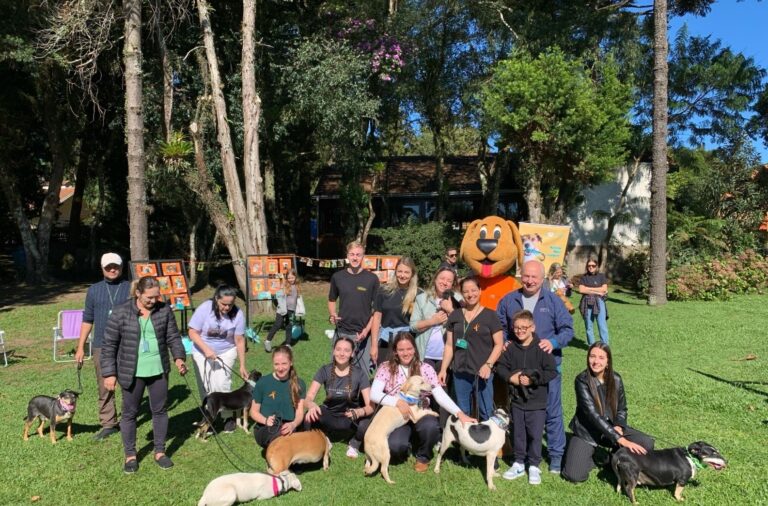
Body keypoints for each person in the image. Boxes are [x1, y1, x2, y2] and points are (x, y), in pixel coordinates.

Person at [100, 276, 188, 473]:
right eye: (149, 297)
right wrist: (109, 373)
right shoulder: (121, 312)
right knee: (130, 413)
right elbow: (109, 345)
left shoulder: (163, 310)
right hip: (131, 371)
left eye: (156, 297)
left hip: (158, 369)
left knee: (160, 410)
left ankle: (160, 451)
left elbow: (173, 336)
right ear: (138, 293)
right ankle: (130, 455)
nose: (153, 301)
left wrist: (179, 357)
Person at [497, 260, 574, 474]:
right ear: (521, 276)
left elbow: (568, 329)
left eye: (535, 277)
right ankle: (520, 456)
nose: (530, 280)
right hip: (518, 369)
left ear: (543, 279)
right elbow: (500, 326)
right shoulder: (509, 300)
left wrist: (554, 342)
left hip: (547, 369)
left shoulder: (553, 301)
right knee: (520, 412)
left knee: (551, 411)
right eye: (526, 276)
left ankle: (556, 456)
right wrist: (504, 340)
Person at [368, 332, 475, 473]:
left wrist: (459, 413)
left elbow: (440, 395)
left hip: (420, 410)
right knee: (396, 447)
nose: (406, 353)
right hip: (397, 415)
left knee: (430, 426)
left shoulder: (426, 368)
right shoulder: (386, 367)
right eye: (401, 350)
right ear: (395, 351)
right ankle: (409, 443)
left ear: (415, 349)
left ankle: (423, 456)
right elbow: (374, 394)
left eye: (409, 349)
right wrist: (398, 402)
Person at [562, 343, 654, 483]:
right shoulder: (581, 380)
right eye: (592, 356)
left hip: (612, 429)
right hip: (588, 431)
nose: (595, 361)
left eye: (601, 357)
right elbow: (593, 416)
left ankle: (613, 459)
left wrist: (619, 425)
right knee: (574, 475)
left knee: (646, 443)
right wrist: (620, 439)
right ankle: (599, 458)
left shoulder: (616, 379)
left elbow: (622, 409)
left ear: (607, 361)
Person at [496, 310, 557, 485]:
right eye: (516, 328)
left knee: (535, 434)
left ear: (532, 327)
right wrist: (510, 378)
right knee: (518, 433)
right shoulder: (511, 348)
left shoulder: (542, 348)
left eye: (524, 327)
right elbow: (500, 367)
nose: (520, 331)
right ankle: (519, 462)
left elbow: (552, 371)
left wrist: (533, 379)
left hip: (537, 401)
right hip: (516, 401)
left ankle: (534, 465)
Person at [75, 252, 131, 441]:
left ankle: (128, 419)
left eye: (115, 266)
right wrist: (81, 347)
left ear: (122, 267)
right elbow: (87, 319)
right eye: (108, 267)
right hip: (102, 345)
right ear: (102, 268)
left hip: (127, 343)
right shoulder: (93, 290)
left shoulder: (131, 288)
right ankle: (109, 423)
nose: (112, 269)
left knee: (129, 383)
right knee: (104, 385)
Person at [439, 276, 503, 421]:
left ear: (480, 291)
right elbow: (449, 345)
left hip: (482, 373)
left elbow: (499, 344)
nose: (470, 294)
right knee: (463, 412)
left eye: (474, 290)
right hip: (460, 372)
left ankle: (488, 443)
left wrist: (488, 365)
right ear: (461, 294)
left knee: (486, 411)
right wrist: (443, 369)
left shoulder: (490, 315)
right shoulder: (455, 315)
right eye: (466, 291)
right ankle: (466, 443)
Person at [187, 284, 248, 433]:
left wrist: (242, 365)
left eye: (230, 304)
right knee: (206, 387)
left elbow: (239, 340)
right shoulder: (205, 308)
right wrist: (206, 349)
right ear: (216, 299)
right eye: (224, 304)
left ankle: (228, 417)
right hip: (202, 350)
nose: (227, 308)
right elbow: (192, 332)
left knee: (222, 383)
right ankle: (208, 420)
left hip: (226, 350)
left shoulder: (238, 314)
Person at [304, 336, 373, 459]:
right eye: (338, 349)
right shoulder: (324, 370)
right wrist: (311, 404)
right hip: (329, 415)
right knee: (308, 416)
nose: (342, 353)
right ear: (334, 351)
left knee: (367, 423)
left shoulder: (359, 373)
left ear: (352, 354)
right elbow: (309, 397)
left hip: (350, 418)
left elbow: (370, 406)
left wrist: (360, 411)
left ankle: (354, 443)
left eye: (346, 350)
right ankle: (315, 442)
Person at [328, 241, 379, 373]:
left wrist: (366, 330)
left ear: (363, 256)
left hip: (362, 335)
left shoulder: (372, 279)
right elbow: (331, 299)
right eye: (352, 254)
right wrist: (332, 314)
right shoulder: (337, 277)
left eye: (358, 255)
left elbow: (377, 310)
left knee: (361, 375)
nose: (355, 258)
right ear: (347, 255)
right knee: (337, 373)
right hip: (342, 332)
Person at [250, 345, 306, 449]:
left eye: (284, 363)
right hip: (266, 427)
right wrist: (265, 420)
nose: (280, 368)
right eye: (276, 364)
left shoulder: (299, 384)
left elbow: (299, 413)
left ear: (291, 362)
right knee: (282, 440)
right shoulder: (263, 383)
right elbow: (253, 412)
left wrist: (293, 424)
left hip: (288, 426)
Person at [370, 257, 419, 365]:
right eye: (400, 271)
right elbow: (377, 318)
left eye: (406, 272)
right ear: (395, 272)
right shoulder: (383, 290)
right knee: (384, 375)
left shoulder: (418, 294)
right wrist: (374, 345)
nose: (402, 275)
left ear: (412, 274)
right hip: (385, 340)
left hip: (406, 344)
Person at [264, 270, 301, 352]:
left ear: (295, 277)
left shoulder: (297, 286)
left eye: (292, 277)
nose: (291, 279)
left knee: (289, 326)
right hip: (282, 310)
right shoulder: (284, 285)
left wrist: (299, 308)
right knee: (278, 324)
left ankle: (288, 344)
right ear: (286, 278)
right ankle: (267, 341)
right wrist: (282, 285)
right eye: (289, 278)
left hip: (292, 310)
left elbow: (297, 298)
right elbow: (279, 296)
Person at [577, 258, 610, 345]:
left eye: (593, 266)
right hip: (587, 303)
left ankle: (605, 346)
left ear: (597, 266)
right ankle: (591, 346)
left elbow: (604, 289)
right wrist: (597, 291)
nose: (591, 267)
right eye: (589, 266)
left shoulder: (601, 276)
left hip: (599, 302)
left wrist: (588, 288)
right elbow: (581, 290)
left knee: (602, 325)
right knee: (589, 326)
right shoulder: (584, 277)